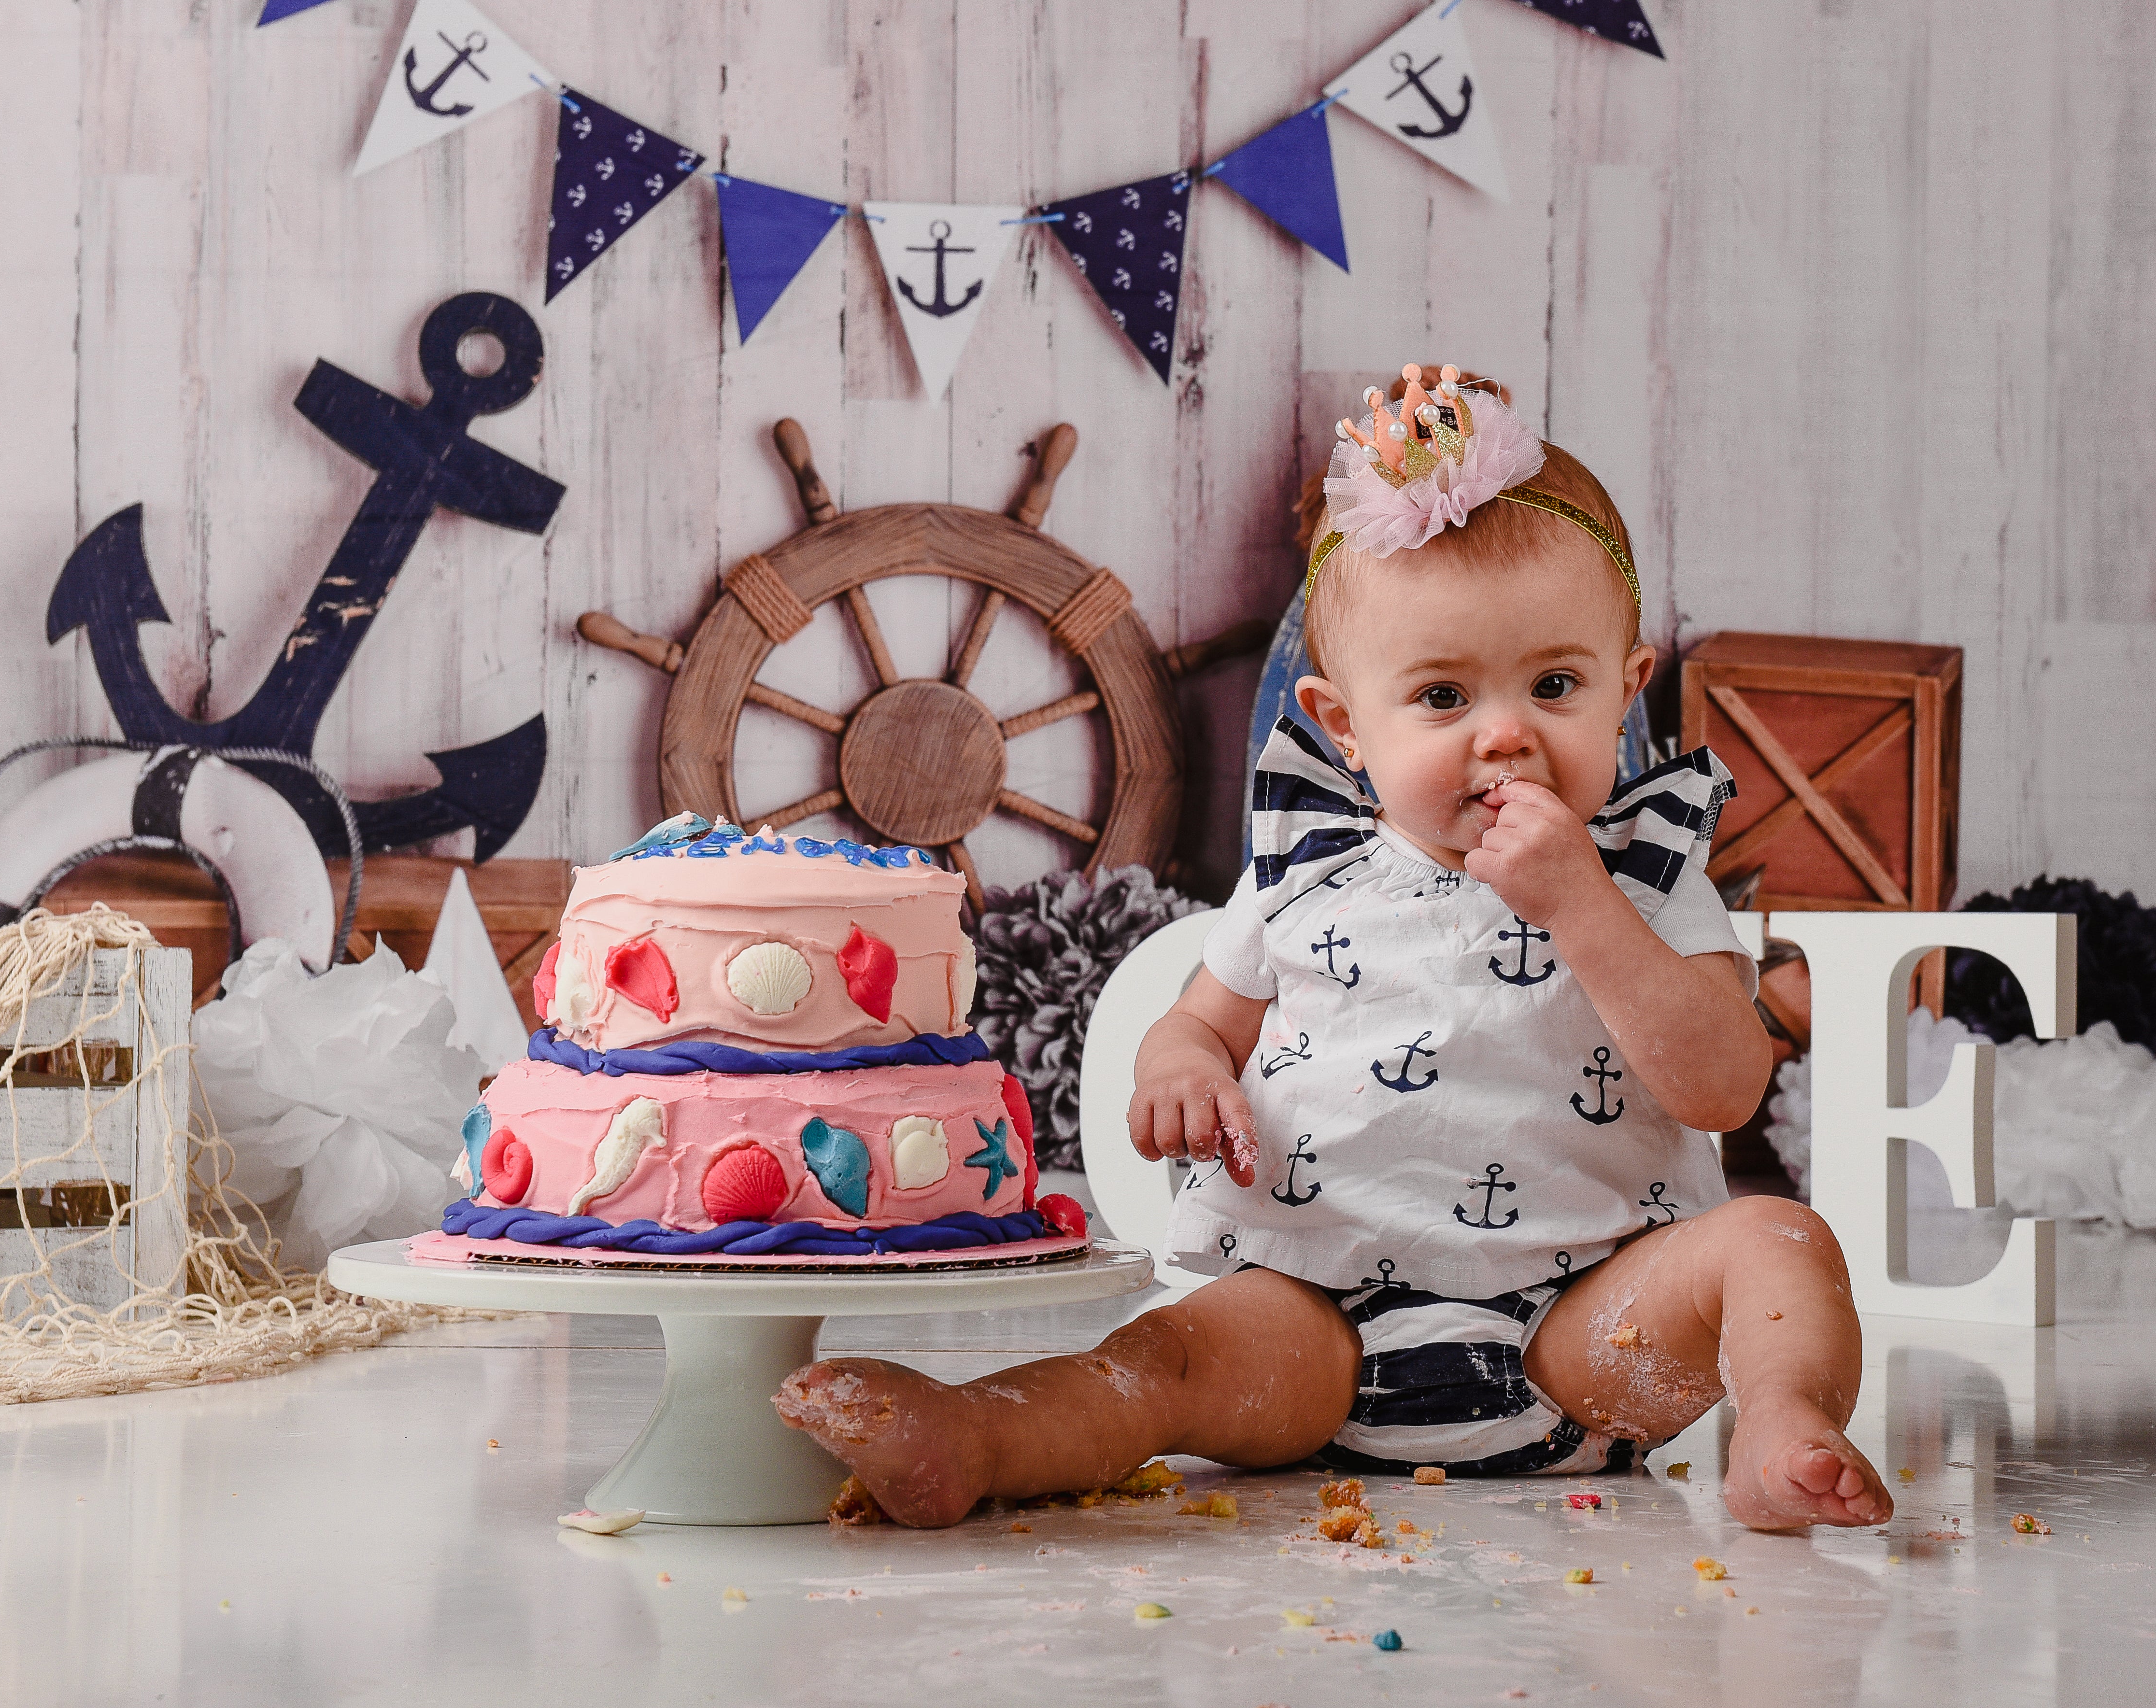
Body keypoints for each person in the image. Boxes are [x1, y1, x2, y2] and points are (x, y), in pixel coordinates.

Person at [773, 367, 1890, 1532]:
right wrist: (1181, 1065)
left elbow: (1719, 1084)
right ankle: (981, 1433)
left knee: (1776, 1238)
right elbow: (1203, 1016)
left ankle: (1781, 1424)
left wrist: (1582, 907)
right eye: (1443, 694)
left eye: (1554, 684)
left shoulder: (1651, 882)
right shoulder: (1306, 877)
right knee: (1155, 1363)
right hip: (1319, 1320)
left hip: (1590, 1324)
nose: (1505, 731)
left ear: (1626, 693)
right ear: (1346, 727)